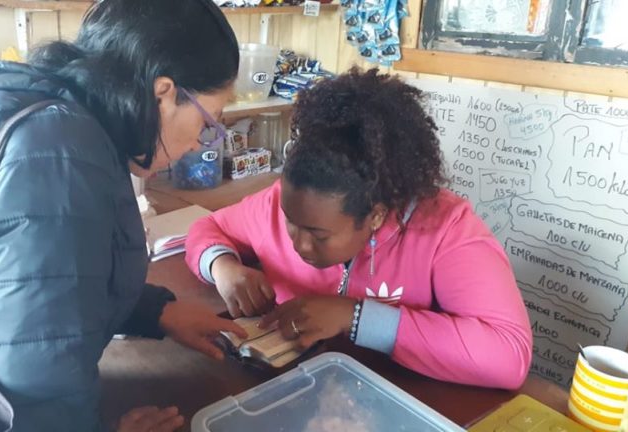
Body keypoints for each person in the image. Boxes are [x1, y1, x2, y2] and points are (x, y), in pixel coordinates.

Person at [0, 0, 248, 431]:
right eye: (209, 121)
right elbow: (33, 367)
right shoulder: (58, 155)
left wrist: (154, 312)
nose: (198, 142)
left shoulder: (26, 98)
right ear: (163, 93)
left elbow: (29, 286)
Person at [185, 68, 533, 390]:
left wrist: (355, 317)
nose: (299, 244)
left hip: (393, 398)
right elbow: (209, 227)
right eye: (291, 222)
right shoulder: (286, 200)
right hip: (295, 388)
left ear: (376, 216)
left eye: (318, 235)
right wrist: (222, 267)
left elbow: (508, 356)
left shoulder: (446, 229)